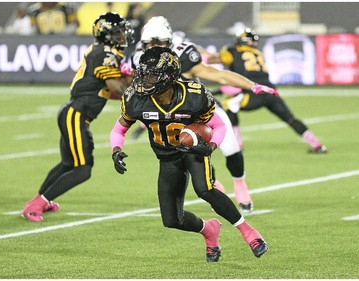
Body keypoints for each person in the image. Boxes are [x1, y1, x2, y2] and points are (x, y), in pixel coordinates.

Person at [110, 46, 268, 262]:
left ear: (168, 76)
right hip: (167, 158)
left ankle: (249, 233)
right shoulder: (136, 99)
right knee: (172, 220)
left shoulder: (193, 95)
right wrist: (116, 150)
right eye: (142, 74)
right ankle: (209, 230)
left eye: (151, 75)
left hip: (193, 150)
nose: (144, 80)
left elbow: (220, 126)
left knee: (206, 189)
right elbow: (119, 129)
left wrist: (210, 146)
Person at [130, 16, 279, 212]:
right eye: (151, 43)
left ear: (170, 42)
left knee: (231, 149)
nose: (155, 47)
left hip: (203, 108)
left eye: (160, 42)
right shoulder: (140, 60)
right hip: (175, 118)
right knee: (195, 154)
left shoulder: (183, 55)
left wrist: (252, 85)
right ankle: (216, 187)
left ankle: (240, 184)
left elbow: (219, 75)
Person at [22, 12, 134, 222]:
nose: (122, 37)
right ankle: (37, 204)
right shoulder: (105, 54)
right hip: (76, 113)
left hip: (76, 113)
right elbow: (117, 90)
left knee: (68, 163)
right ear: (106, 35)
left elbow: (103, 92)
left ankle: (39, 201)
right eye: (118, 33)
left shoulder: (102, 51)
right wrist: (130, 78)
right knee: (82, 169)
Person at [207, 28, 328, 154]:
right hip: (270, 91)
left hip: (252, 93)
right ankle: (317, 145)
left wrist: (206, 56)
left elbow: (213, 61)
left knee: (229, 104)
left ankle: (238, 143)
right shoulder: (258, 53)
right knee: (291, 119)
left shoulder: (232, 51)